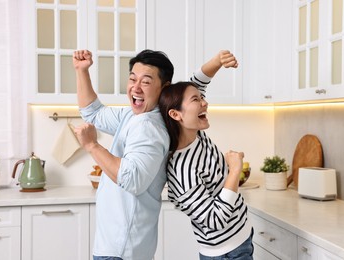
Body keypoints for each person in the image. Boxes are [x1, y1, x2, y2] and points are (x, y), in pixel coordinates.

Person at [72, 49, 174, 260]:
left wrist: (92, 146)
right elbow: (93, 112)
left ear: (164, 88)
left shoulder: (149, 127)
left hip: (122, 248)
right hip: (120, 246)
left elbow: (132, 179)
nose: (135, 87)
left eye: (145, 82)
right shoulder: (134, 116)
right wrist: (81, 71)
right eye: (132, 79)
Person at [158, 50, 254, 260]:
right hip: (227, 253)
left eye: (202, 98)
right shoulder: (182, 171)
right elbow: (214, 220)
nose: (204, 102)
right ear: (176, 115)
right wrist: (235, 170)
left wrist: (218, 61)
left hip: (241, 238)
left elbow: (197, 83)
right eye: (196, 100)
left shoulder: (195, 132)